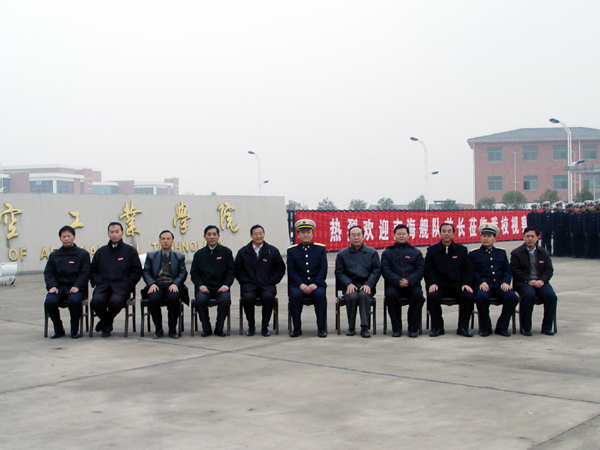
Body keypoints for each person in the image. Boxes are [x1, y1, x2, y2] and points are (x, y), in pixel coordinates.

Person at [90, 222, 143, 337]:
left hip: (121, 287)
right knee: (96, 301)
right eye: (112, 232)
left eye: (117, 232)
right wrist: (97, 281)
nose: (114, 234)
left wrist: (129, 284)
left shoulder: (130, 251)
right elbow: (93, 270)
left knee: (116, 301)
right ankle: (107, 323)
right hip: (103, 286)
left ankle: (105, 324)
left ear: (122, 233)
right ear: (108, 234)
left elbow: (137, 270)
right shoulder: (101, 252)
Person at [424, 222, 475, 338]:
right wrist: (432, 283)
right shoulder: (432, 251)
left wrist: (466, 283)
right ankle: (438, 327)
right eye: (444, 231)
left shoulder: (462, 250)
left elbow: (468, 269)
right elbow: (428, 270)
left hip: (458, 285)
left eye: (449, 231)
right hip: (440, 286)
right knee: (432, 296)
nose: (446, 234)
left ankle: (463, 327)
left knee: (468, 296)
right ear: (440, 233)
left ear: (453, 234)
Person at [235, 225, 285, 337]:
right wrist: (245, 281)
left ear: (264, 234)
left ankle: (265, 326)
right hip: (249, 285)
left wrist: (272, 280)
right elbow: (237, 270)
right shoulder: (243, 252)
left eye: (260, 233)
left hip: (267, 285)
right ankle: (251, 326)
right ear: (251, 236)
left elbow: (280, 268)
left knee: (268, 297)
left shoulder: (272, 251)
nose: (258, 236)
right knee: (247, 298)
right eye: (255, 234)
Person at [470, 223, 518, 337]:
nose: (486, 238)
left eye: (489, 236)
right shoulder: (474, 254)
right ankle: (485, 327)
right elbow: (472, 272)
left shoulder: (501, 253)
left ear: (494, 238)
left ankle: (502, 327)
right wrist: (480, 282)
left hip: (499, 285)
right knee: (481, 297)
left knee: (512, 297)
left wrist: (506, 282)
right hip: (483, 285)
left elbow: (507, 270)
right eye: (484, 236)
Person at [44, 225, 91, 339]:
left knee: (74, 301)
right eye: (63, 237)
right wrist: (52, 286)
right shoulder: (54, 255)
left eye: (68, 236)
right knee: (49, 302)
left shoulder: (82, 254)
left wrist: (77, 286)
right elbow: (48, 273)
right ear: (60, 238)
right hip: (59, 288)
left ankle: (74, 330)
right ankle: (58, 329)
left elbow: (85, 273)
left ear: (74, 237)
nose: (66, 239)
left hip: (75, 288)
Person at [334, 225, 381, 338]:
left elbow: (376, 270)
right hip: (350, 286)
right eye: (353, 235)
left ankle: (364, 327)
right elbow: (339, 272)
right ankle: (351, 327)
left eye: (359, 235)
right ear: (349, 237)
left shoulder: (372, 253)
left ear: (363, 236)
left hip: (366, 285)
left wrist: (369, 284)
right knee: (352, 296)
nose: (356, 237)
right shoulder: (342, 254)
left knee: (364, 295)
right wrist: (348, 284)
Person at [509, 227, 557, 336]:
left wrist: (542, 280)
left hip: (540, 282)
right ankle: (526, 327)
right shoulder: (516, 253)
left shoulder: (543, 252)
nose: (530, 239)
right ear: (523, 237)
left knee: (551, 296)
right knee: (529, 295)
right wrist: (528, 280)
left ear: (537, 238)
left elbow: (549, 270)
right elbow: (515, 270)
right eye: (527, 236)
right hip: (523, 283)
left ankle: (547, 327)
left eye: (532, 236)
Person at [381, 223, 425, 338]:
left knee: (418, 296)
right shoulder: (388, 252)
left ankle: (413, 328)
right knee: (391, 296)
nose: (401, 236)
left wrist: (409, 281)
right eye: (398, 234)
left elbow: (420, 270)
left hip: (411, 285)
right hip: (394, 285)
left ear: (408, 235)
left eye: (403, 234)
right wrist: (398, 281)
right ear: (394, 235)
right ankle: (396, 329)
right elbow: (386, 270)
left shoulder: (415, 252)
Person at [190, 225, 235, 337]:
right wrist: (200, 285)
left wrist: (226, 285)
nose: (212, 237)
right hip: (204, 288)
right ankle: (206, 329)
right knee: (200, 300)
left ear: (218, 236)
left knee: (225, 300)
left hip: (221, 287)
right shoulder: (199, 254)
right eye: (209, 234)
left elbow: (231, 272)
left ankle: (219, 329)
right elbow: (194, 274)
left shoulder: (226, 252)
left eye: (214, 234)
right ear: (204, 237)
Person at [142, 230, 187, 339]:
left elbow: (183, 273)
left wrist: (175, 283)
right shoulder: (151, 256)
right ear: (159, 241)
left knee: (174, 298)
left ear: (172, 241)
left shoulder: (179, 257)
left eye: (168, 239)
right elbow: (146, 272)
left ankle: (172, 330)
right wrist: (152, 283)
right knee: (153, 298)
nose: (165, 241)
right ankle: (158, 329)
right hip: (156, 285)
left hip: (171, 285)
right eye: (163, 239)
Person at [287, 219, 328, 338]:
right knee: (295, 296)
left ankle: (321, 328)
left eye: (308, 232)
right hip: (298, 285)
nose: (306, 235)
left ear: (312, 234)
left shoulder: (320, 249)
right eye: (303, 232)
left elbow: (323, 269)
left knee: (320, 295)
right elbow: (291, 271)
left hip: (316, 284)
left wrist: (315, 284)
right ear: (298, 234)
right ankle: (297, 328)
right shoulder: (292, 251)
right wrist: (301, 284)